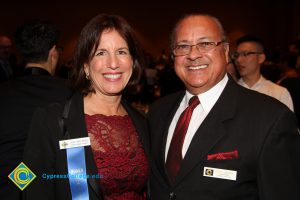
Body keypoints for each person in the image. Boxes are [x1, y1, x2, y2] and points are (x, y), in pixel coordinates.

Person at [147, 14, 300, 199]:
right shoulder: (158, 112)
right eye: (183, 46)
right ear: (173, 55)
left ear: (226, 51)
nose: (193, 55)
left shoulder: (271, 119)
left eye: (205, 44)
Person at [23, 14, 149, 200]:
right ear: (86, 66)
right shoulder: (51, 120)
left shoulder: (143, 122)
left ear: (133, 62)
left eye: (122, 52)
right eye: (100, 53)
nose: (113, 63)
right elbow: (30, 189)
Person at [0, 21, 71, 200]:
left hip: (8, 187)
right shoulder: (70, 93)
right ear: (53, 52)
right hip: (53, 187)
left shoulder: (3, 91)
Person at [233, 35, 294, 111]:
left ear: (261, 58)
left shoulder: (279, 93)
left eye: (245, 54)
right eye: (236, 55)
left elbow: (287, 122)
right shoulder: (230, 91)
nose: (239, 60)